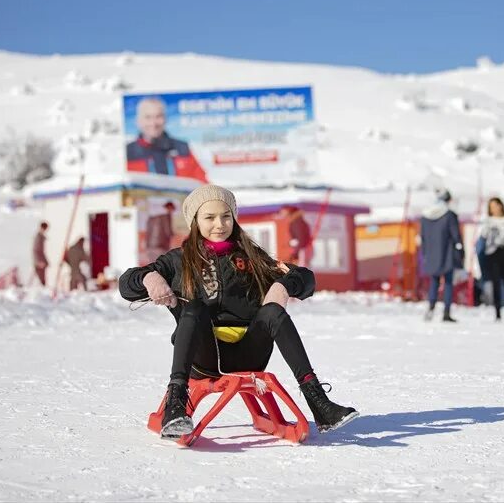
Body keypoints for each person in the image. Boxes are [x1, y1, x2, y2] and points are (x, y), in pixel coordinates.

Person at [118, 184, 358, 438]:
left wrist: (282, 285)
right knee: (195, 308)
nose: (219, 224)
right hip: (203, 357)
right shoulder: (177, 260)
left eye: (225, 216)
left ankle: (319, 403)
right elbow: (127, 282)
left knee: (273, 312)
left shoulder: (252, 257)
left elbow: (305, 278)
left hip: (248, 353)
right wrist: (149, 279)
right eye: (209, 217)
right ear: (195, 222)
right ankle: (176, 404)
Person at [126, 97, 209, 182]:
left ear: (165, 119)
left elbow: (202, 185)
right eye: (148, 117)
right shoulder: (127, 153)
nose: (153, 123)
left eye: (158, 116)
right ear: (138, 121)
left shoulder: (182, 148)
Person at [419, 189, 463, 322]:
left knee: (434, 282)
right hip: (447, 253)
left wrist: (426, 253)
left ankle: (431, 308)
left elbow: (423, 238)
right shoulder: (449, 215)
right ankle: (446, 312)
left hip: (432, 254)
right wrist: (461, 252)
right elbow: (456, 236)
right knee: (448, 283)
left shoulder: (425, 216)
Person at [32, 221, 49, 286]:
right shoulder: (38, 238)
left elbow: (42, 251)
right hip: (39, 262)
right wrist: (39, 262)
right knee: (41, 280)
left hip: (41, 261)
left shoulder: (41, 237)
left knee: (43, 279)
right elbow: (36, 250)